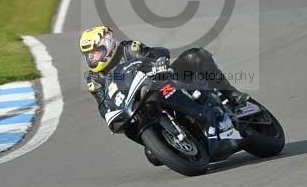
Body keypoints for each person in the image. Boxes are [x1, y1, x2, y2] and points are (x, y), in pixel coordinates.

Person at [80, 25, 250, 122]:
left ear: (108, 44)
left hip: (162, 83)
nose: (93, 58)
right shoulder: (94, 79)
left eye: (96, 51)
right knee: (153, 157)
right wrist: (109, 113)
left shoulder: (127, 48)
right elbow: (103, 105)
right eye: (89, 55)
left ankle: (231, 94)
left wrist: (157, 62)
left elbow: (157, 52)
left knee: (194, 56)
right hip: (138, 110)